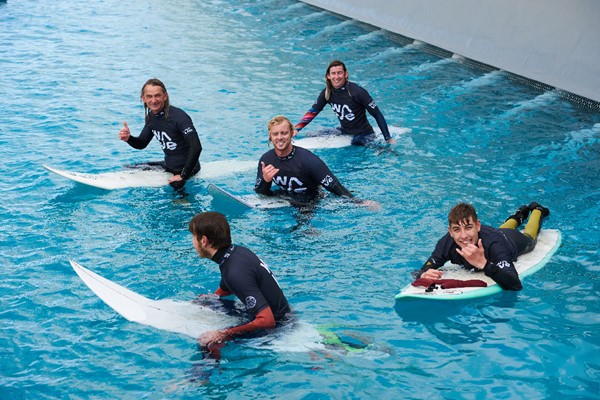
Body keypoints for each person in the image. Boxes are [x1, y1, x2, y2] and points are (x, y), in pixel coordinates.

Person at [189, 211, 292, 358]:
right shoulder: (236, 253)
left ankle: (204, 377)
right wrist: (210, 298)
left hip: (278, 327)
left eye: (193, 236)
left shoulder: (235, 272)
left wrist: (224, 334)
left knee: (206, 342)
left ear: (203, 241)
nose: (192, 241)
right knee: (204, 301)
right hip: (280, 314)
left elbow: (267, 321)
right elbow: (226, 287)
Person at [416, 202, 551, 291]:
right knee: (499, 230)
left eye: (469, 227)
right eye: (456, 229)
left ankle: (537, 210)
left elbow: (515, 285)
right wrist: (423, 274)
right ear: (450, 231)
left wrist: (484, 264)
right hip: (495, 232)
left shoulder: (494, 245)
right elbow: (422, 269)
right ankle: (519, 215)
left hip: (510, 240)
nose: (463, 236)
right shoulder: (446, 243)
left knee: (530, 237)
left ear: (478, 225)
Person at [255, 115, 378, 208]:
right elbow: (260, 192)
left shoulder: (309, 160)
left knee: (302, 231)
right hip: (282, 198)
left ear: (292, 134)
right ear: (270, 136)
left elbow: (333, 185)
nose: (280, 137)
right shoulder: (266, 160)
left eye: (284, 133)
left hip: (309, 202)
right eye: (275, 134)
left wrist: (359, 202)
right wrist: (265, 181)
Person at [118, 78, 202, 189]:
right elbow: (142, 143)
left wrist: (183, 175)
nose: (153, 100)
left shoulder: (179, 117)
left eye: (157, 95)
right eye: (149, 96)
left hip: (187, 168)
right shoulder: (151, 117)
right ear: (143, 98)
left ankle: (184, 203)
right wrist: (129, 138)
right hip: (168, 164)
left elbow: (196, 147)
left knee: (176, 189)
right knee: (131, 168)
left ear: (165, 96)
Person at [294, 60, 396, 146]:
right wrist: (296, 129)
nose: (336, 77)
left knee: (356, 143)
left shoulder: (357, 92)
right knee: (311, 134)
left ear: (346, 74)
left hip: (364, 133)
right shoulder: (327, 92)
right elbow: (313, 111)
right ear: (328, 76)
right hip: (344, 130)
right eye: (333, 73)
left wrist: (388, 138)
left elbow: (377, 114)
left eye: (339, 73)